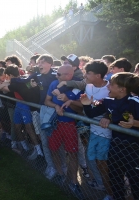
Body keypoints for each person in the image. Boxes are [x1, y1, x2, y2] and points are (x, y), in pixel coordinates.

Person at [81, 72, 139, 200]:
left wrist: (135, 123)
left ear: (122, 89)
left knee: (135, 183)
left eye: (111, 84)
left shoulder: (135, 102)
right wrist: (86, 105)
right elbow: (92, 114)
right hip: (116, 146)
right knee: (116, 179)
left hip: (134, 150)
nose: (108, 87)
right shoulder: (108, 101)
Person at [45, 64, 84, 199]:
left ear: (69, 75)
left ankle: (74, 182)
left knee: (72, 153)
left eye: (59, 74)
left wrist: (69, 101)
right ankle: (61, 174)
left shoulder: (78, 86)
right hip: (55, 124)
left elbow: (81, 109)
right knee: (54, 149)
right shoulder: (54, 83)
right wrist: (56, 105)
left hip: (70, 125)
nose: (56, 75)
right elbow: (47, 101)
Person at [80, 60, 113, 197]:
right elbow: (86, 105)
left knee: (103, 162)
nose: (85, 75)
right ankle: (101, 183)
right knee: (91, 157)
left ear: (98, 75)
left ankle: (111, 190)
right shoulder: (88, 86)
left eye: (88, 73)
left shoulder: (111, 89)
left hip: (107, 132)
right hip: (93, 129)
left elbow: (111, 109)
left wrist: (108, 117)